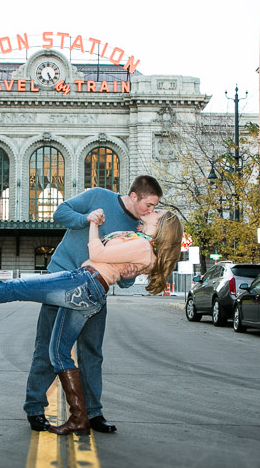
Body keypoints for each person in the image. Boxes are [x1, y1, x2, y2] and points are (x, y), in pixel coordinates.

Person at [0, 209, 183, 435]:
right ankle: (79, 418)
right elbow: (118, 259)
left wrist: (93, 223)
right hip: (91, 292)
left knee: (14, 288)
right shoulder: (140, 243)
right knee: (59, 353)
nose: (152, 211)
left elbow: (96, 252)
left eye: (157, 213)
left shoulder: (143, 247)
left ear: (162, 227)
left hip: (83, 282)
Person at [27, 176, 163, 434]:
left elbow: (125, 280)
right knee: (46, 347)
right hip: (61, 280)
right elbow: (60, 212)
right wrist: (86, 219)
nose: (150, 211)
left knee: (92, 352)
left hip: (94, 291)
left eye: (154, 207)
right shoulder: (98, 196)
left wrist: (129, 274)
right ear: (134, 196)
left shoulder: (138, 228)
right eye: (149, 204)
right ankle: (34, 408)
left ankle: (93, 413)